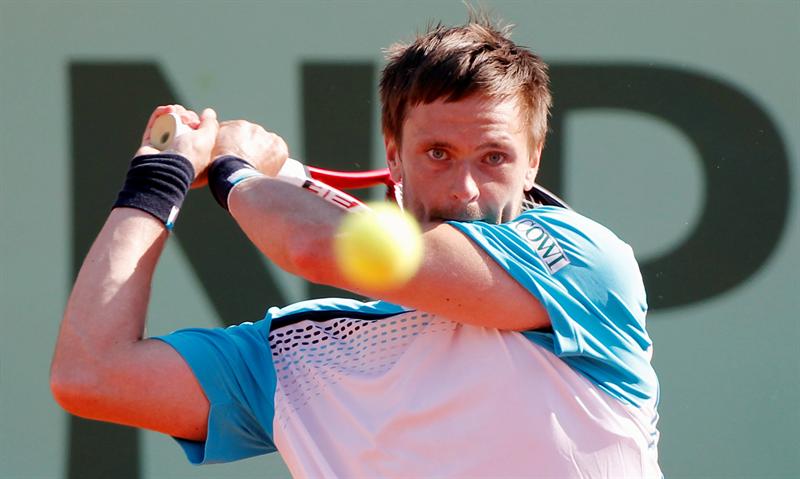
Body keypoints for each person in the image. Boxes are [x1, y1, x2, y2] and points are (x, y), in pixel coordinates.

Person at [51, 15, 661, 478]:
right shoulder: (301, 356)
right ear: (394, 156)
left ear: (534, 161)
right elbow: (91, 374)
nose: (466, 188)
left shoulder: (583, 262)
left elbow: (313, 245)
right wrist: (157, 180)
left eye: (494, 157)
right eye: (438, 154)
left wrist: (235, 170)